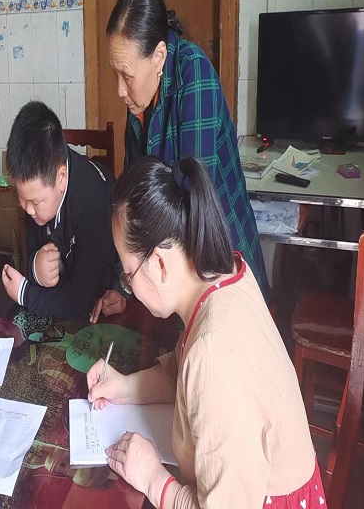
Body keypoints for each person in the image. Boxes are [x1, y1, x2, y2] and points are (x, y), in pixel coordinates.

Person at [87, 155, 323, 509]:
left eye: (128, 275)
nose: (129, 288)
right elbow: (180, 370)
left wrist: (152, 477)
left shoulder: (215, 352)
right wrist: (122, 387)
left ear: (160, 264)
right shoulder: (224, 275)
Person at [92, 0, 269, 322]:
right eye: (116, 74)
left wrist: (141, 279)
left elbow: (192, 200)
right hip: (174, 268)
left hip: (218, 259)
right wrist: (123, 283)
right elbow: (133, 203)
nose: (119, 90)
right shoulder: (140, 98)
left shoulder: (194, 73)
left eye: (126, 76)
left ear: (159, 56)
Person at [1, 101, 119, 318]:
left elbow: (80, 301)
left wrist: (24, 293)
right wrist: (36, 268)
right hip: (63, 293)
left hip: (102, 299)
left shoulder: (93, 205)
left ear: (61, 178)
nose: (28, 209)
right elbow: (31, 252)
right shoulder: (40, 187)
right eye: (21, 197)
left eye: (35, 202)